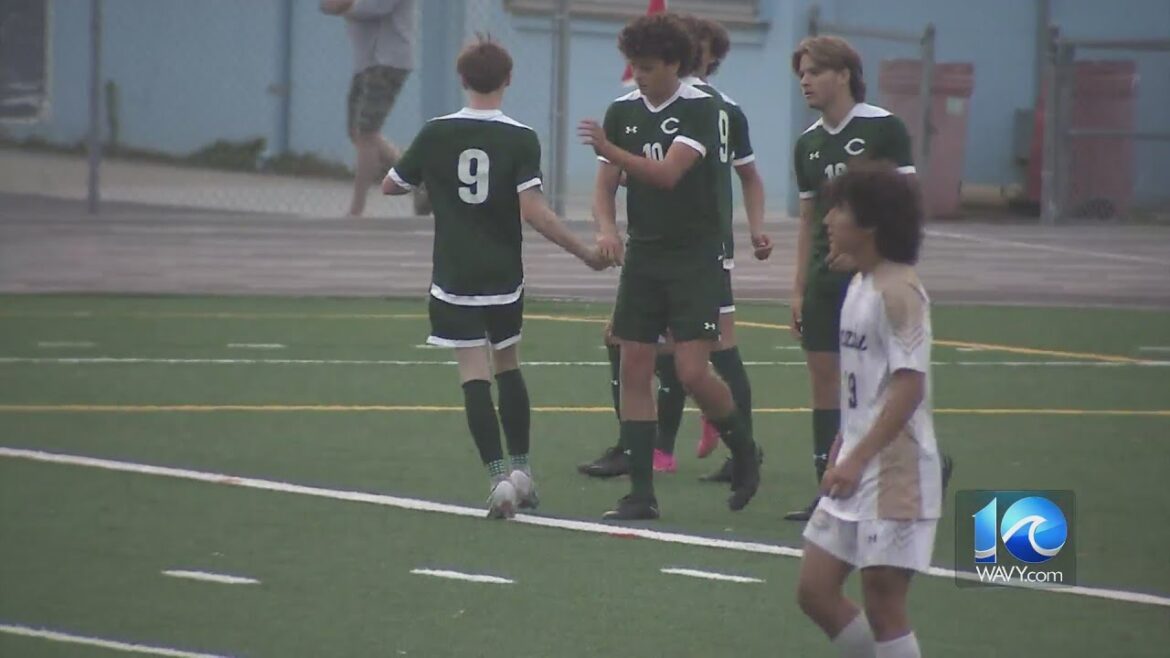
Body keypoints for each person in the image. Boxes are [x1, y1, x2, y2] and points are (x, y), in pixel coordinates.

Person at [382, 38, 608, 518]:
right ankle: (523, 471)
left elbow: (391, 184)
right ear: (509, 80)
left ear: (462, 79)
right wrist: (585, 253)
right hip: (504, 274)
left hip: (454, 275)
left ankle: (497, 479)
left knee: (473, 372)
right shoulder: (521, 137)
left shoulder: (436, 132)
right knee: (508, 363)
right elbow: (536, 212)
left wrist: (429, 175)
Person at [577, 13, 761, 520]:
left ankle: (745, 451)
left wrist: (612, 149)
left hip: (695, 257)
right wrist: (607, 230)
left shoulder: (702, 109)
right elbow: (603, 185)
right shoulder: (623, 110)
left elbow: (666, 174)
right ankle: (641, 493)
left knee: (692, 371)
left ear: (676, 65)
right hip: (645, 255)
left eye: (649, 67)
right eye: (634, 66)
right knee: (634, 364)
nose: (638, 75)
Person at [788, 35, 950, 521]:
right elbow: (807, 220)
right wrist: (798, 287)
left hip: (872, 276)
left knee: (883, 380)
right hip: (824, 278)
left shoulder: (883, 130)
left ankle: (924, 464)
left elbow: (905, 203)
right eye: (801, 73)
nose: (806, 81)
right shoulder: (808, 144)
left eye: (814, 71)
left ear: (843, 74)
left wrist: (890, 261)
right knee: (824, 381)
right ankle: (827, 485)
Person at [796, 161, 938, 658]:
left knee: (883, 604)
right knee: (814, 590)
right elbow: (862, 379)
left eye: (841, 209)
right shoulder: (858, 283)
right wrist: (842, 443)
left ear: (871, 224)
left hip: (895, 470)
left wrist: (858, 457)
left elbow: (908, 385)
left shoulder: (898, 291)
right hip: (858, 459)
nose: (829, 218)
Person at [320, 0, 428, 217]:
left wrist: (342, 7)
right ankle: (420, 184)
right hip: (366, 62)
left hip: (388, 62)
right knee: (357, 132)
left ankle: (356, 210)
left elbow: (375, 7)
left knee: (366, 135)